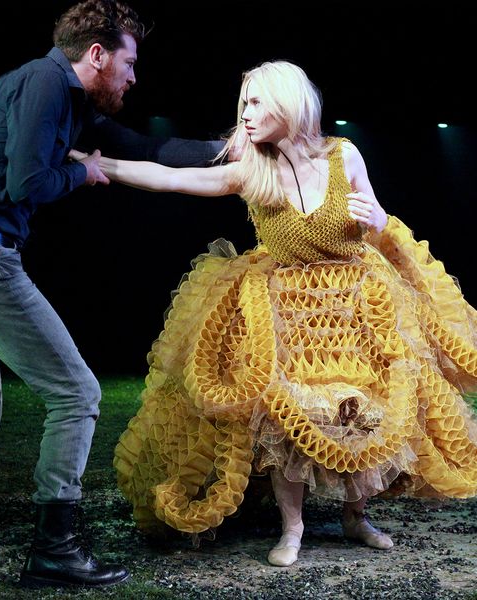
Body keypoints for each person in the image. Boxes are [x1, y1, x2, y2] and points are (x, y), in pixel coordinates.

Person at [70, 60, 477, 567]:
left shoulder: (343, 155)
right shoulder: (252, 169)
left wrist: (376, 217)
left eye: (256, 101)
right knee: (283, 416)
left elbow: (374, 218)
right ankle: (293, 527)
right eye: (243, 103)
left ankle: (356, 516)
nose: (245, 112)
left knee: (360, 409)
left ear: (289, 102)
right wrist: (98, 165)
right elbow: (170, 178)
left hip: (354, 304)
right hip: (283, 310)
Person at [0, 0, 225, 590]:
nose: (133, 77)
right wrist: (83, 174)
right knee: (77, 392)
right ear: (95, 54)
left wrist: (224, 151)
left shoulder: (68, 103)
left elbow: (141, 146)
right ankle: (55, 547)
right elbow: (28, 181)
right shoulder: (43, 80)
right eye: (129, 61)